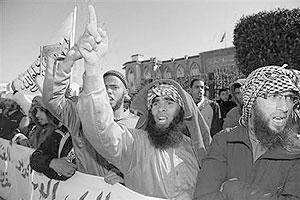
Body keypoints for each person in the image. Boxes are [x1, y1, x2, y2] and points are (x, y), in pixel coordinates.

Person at [76, 5, 211, 199]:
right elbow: (102, 131)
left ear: (181, 111)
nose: (161, 107)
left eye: (169, 102)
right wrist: (93, 68)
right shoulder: (136, 144)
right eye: (155, 103)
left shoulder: (195, 149)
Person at [42, 19, 138, 185]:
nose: (108, 91)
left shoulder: (139, 126)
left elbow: (144, 167)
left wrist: (124, 176)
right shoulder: (80, 117)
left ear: (126, 93)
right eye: (104, 87)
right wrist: (68, 62)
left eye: (114, 87)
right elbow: (52, 100)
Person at [194, 65, 300, 200]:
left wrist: (236, 190)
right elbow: (204, 196)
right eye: (274, 96)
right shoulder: (224, 141)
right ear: (251, 102)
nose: (285, 107)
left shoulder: (295, 151)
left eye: (290, 97)